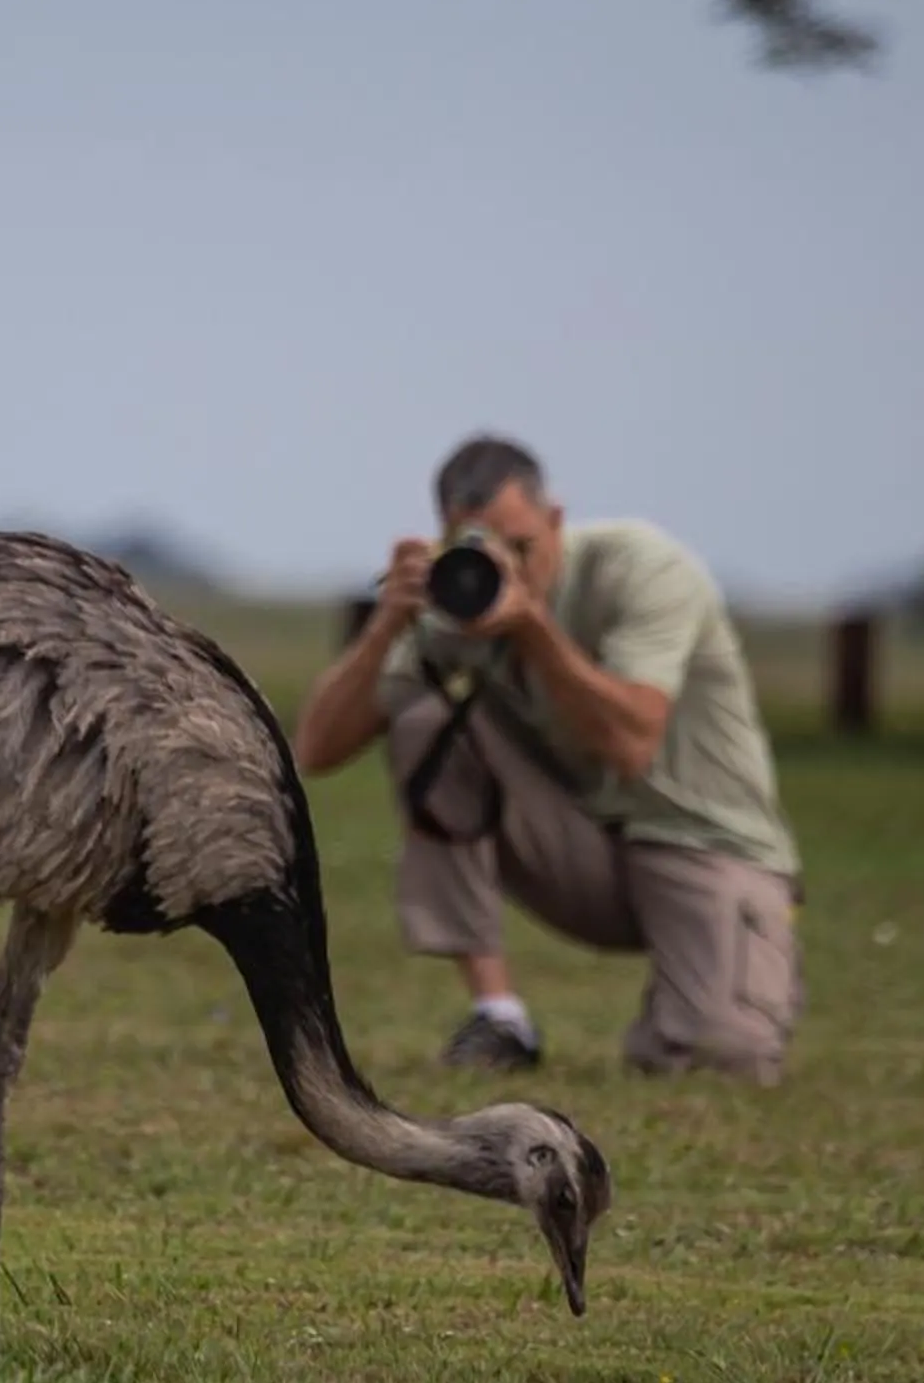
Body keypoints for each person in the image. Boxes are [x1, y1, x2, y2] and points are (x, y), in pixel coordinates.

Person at [291, 433, 808, 1085]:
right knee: (425, 724)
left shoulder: (643, 567)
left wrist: (532, 626)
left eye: (522, 546)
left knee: (717, 1058)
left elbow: (630, 745)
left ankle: (704, 992)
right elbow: (317, 750)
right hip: (581, 849)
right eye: (481, 548)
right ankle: (500, 1015)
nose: (503, 568)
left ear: (556, 519)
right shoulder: (456, 603)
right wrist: (387, 624)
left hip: (704, 842)